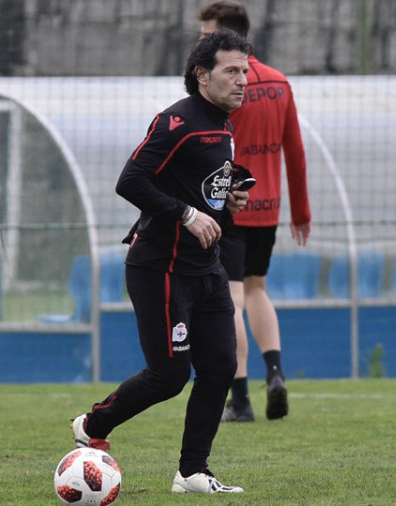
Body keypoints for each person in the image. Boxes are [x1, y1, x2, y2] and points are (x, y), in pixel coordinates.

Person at [70, 31, 253, 494]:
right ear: (202, 74)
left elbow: (197, 184)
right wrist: (188, 214)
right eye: (232, 71)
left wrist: (222, 201)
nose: (242, 80)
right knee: (170, 375)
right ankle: (93, 421)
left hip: (205, 267)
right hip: (160, 267)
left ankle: (192, 472)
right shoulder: (178, 121)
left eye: (245, 71)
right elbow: (130, 180)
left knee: (220, 366)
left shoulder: (224, 124)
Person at [198, 1, 312, 423]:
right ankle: (277, 374)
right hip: (269, 208)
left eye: (207, 36)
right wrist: (300, 210)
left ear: (224, 36)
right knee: (258, 289)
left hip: (229, 207)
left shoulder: (224, 85)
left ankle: (241, 398)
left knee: (230, 299)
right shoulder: (280, 84)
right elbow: (295, 152)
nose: (201, 43)